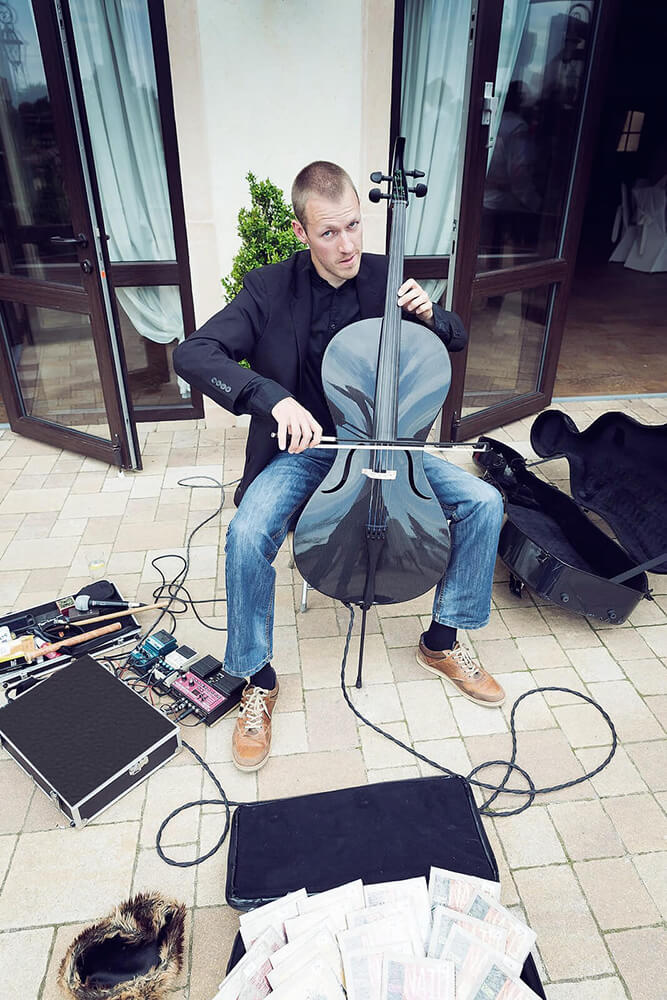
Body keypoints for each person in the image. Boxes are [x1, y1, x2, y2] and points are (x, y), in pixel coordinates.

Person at [173, 161, 505, 773]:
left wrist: (431, 315)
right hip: (304, 453)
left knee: (484, 503)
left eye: (354, 225)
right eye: (329, 232)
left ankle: (442, 641)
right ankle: (256, 679)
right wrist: (270, 399)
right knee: (247, 534)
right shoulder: (269, 289)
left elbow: (456, 336)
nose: (347, 244)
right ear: (302, 232)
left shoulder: (387, 278)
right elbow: (193, 353)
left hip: (385, 447)